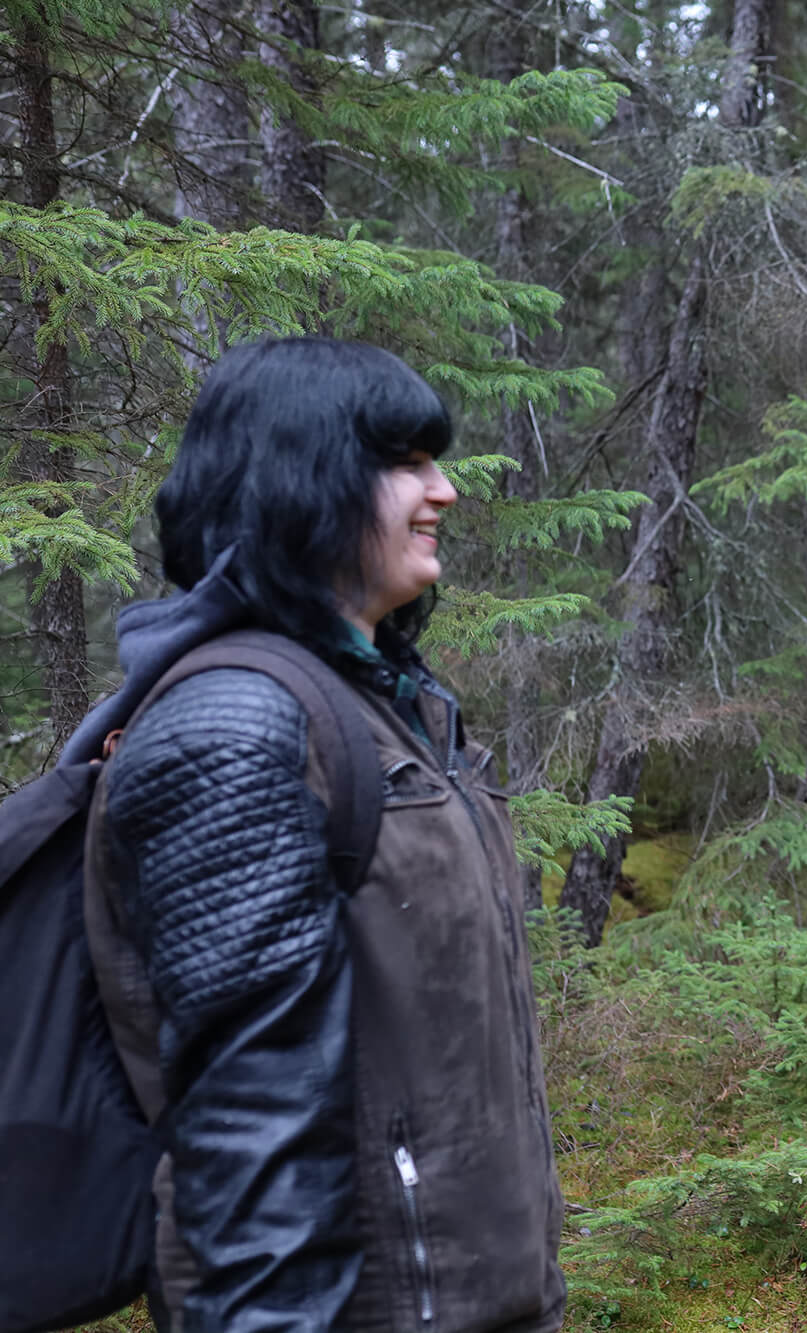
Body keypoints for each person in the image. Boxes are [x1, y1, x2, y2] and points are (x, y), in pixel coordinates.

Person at [80, 338, 565, 1332]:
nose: (444, 492)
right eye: (404, 462)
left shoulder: (385, 703)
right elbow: (249, 1149)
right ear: (303, 478)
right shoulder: (238, 728)